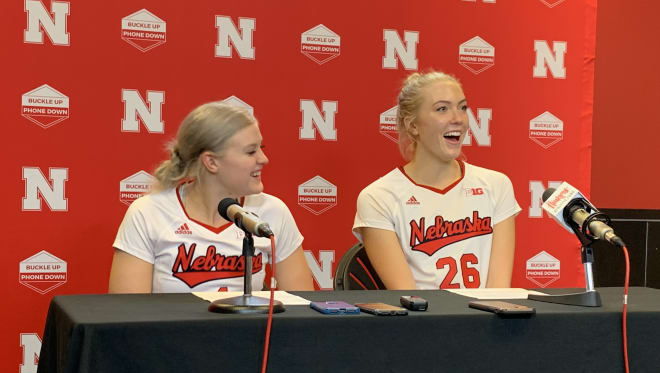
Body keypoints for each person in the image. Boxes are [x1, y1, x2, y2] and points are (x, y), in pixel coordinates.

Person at [109, 101, 314, 293]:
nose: (264, 159)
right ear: (211, 162)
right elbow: (126, 315)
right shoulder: (148, 213)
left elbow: (302, 307)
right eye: (251, 152)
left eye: (262, 148)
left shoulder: (272, 211)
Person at [353, 71, 521, 290]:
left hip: (488, 320)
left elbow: (500, 290)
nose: (458, 119)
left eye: (462, 107)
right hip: (424, 322)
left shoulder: (497, 185)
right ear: (413, 126)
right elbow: (407, 298)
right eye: (442, 109)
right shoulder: (378, 197)